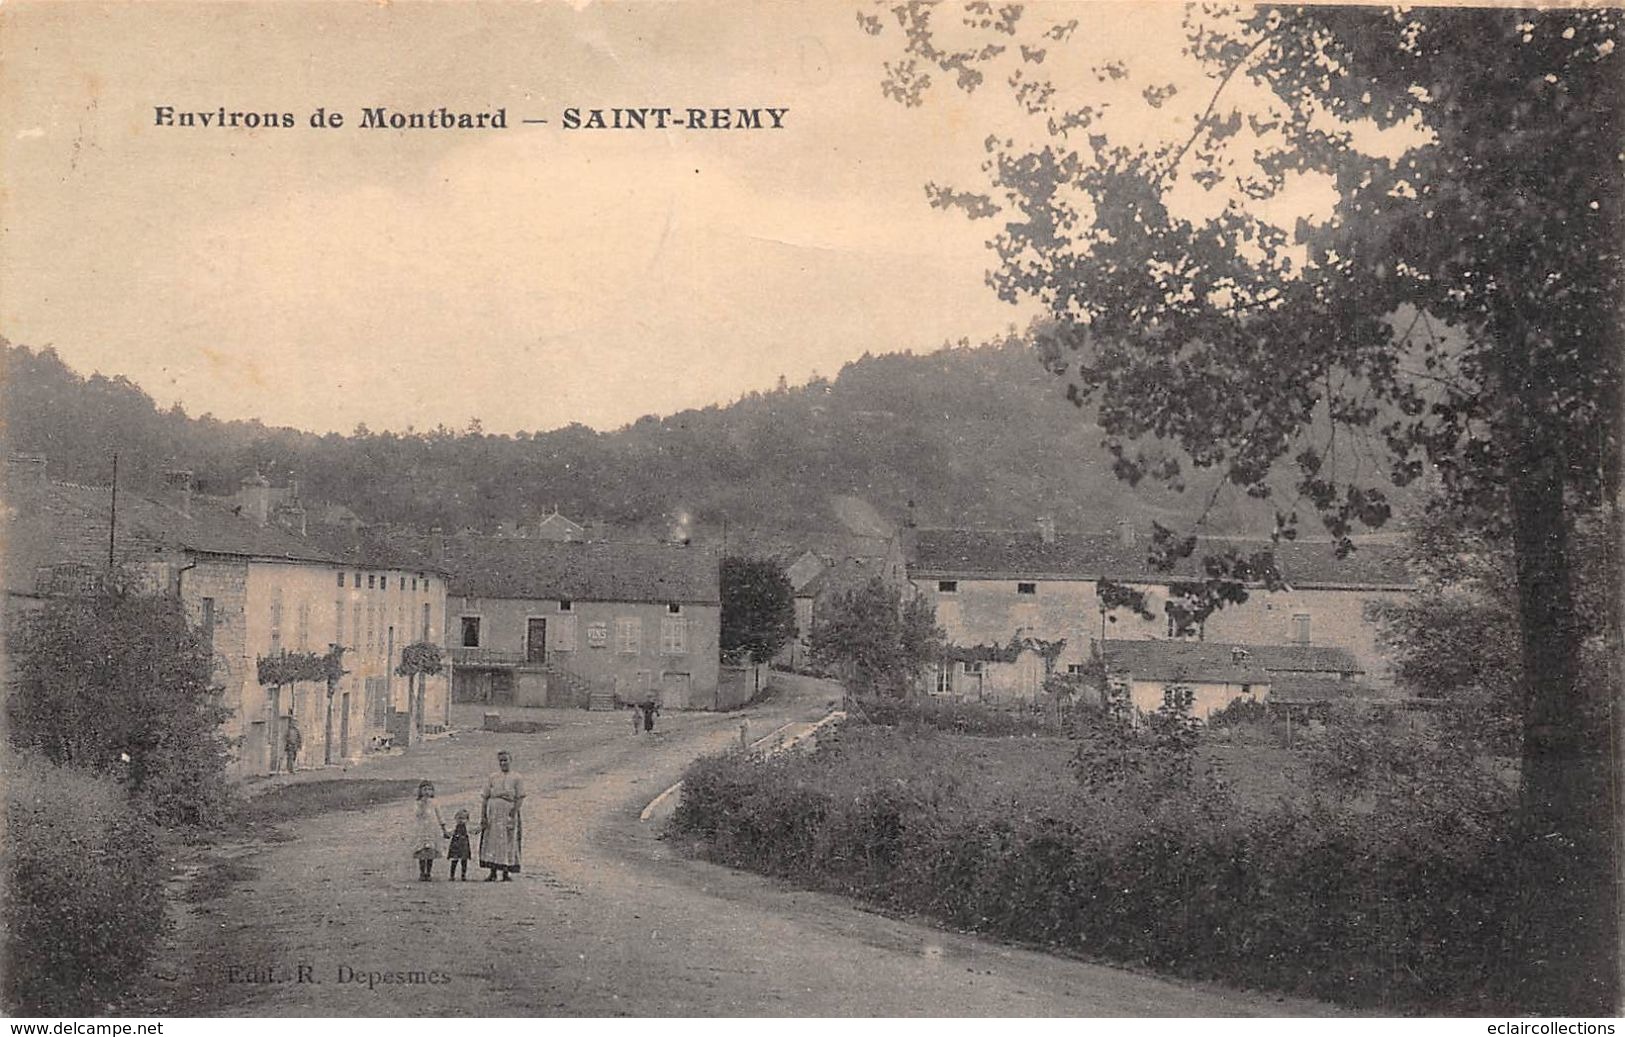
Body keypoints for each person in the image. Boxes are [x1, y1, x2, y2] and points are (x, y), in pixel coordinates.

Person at [479, 751, 524, 881]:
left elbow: (520, 797)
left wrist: (513, 813)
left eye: (505, 760)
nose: (503, 763)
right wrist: (483, 815)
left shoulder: (517, 777)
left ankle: (506, 872)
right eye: (501, 761)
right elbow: (485, 797)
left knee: (508, 840)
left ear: (511, 760)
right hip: (493, 811)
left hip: (508, 810)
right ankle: (492, 872)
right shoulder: (493, 777)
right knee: (492, 841)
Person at [411, 780, 444, 882]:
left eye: (429, 789)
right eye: (424, 789)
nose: (427, 792)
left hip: (432, 829)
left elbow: (439, 815)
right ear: (420, 791)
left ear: (432, 791)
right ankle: (422, 872)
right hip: (421, 829)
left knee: (430, 851)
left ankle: (428, 872)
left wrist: (443, 827)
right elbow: (417, 814)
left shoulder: (435, 802)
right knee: (422, 851)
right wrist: (422, 805)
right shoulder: (418, 803)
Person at [444, 807, 478, 881]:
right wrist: (446, 834)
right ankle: (452, 875)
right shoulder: (455, 827)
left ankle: (463, 875)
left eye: (463, 818)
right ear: (456, 818)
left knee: (464, 860)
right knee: (454, 860)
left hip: (464, 845)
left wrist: (478, 830)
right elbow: (450, 832)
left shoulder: (467, 827)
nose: (461, 820)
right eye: (459, 818)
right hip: (455, 844)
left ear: (467, 819)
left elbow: (473, 831)